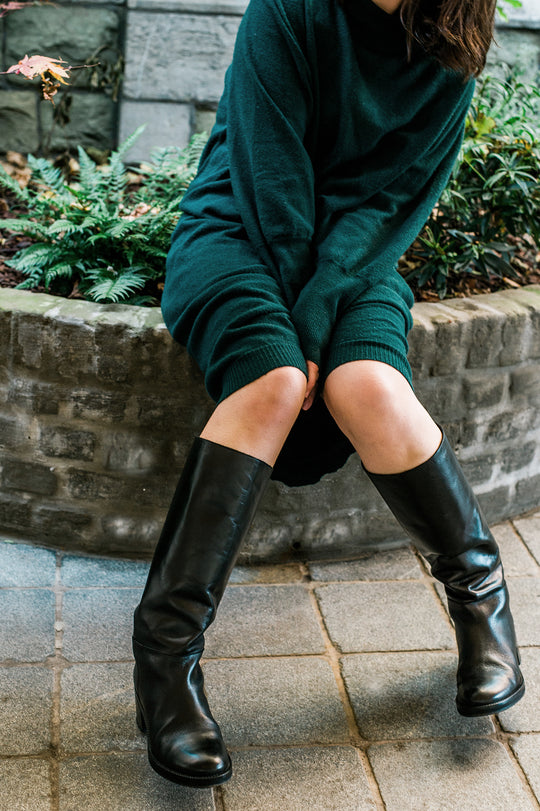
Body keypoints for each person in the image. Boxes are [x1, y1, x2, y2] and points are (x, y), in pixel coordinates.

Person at [132, 0, 525, 789]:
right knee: (276, 378)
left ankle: (481, 597)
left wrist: (321, 314)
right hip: (240, 228)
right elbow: (270, 171)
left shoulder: (452, 43)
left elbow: (393, 200)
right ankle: (165, 659)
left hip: (357, 256)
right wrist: (301, 337)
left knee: (369, 383)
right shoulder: (291, 9)